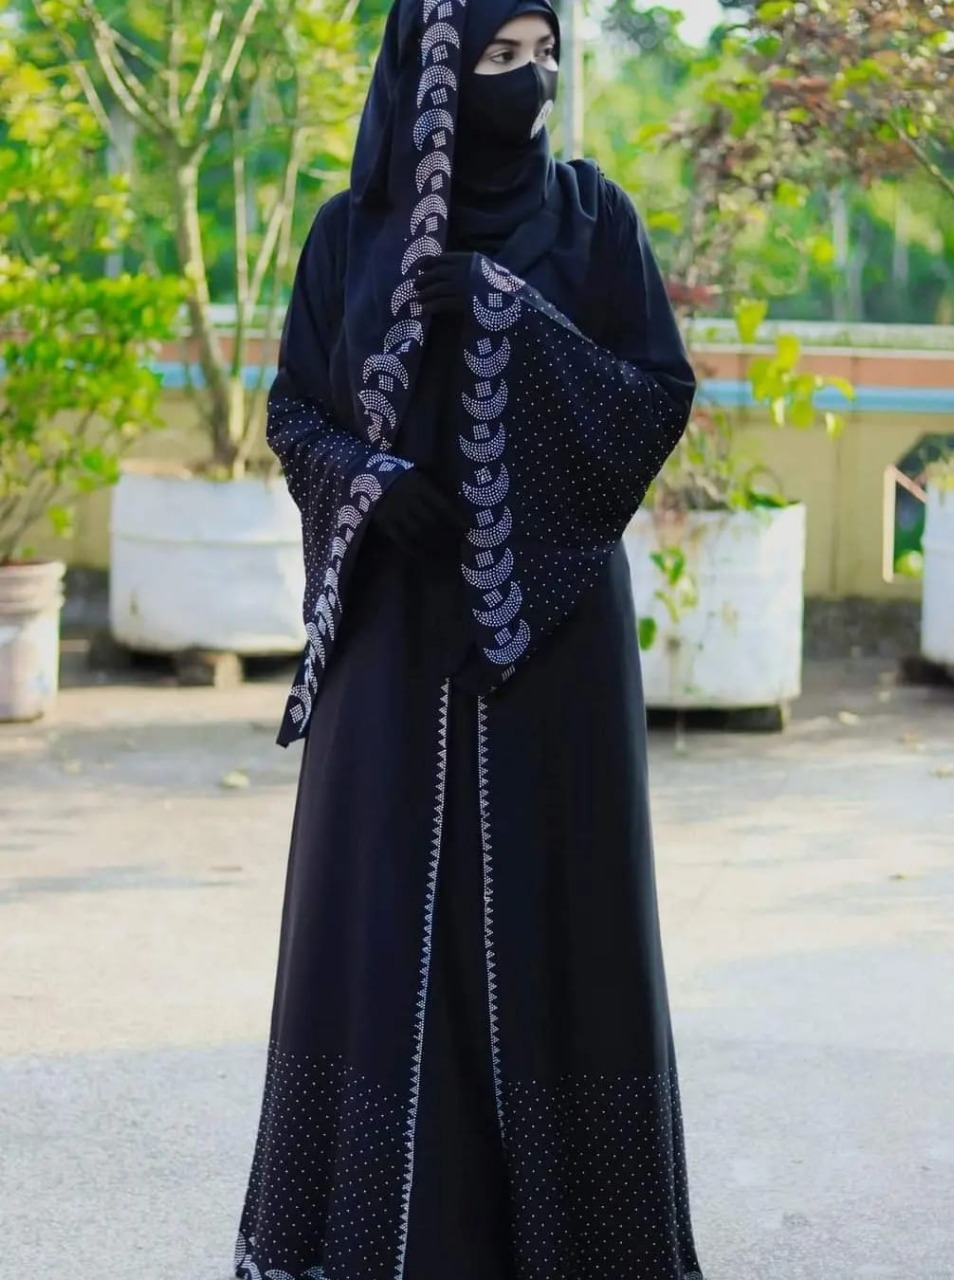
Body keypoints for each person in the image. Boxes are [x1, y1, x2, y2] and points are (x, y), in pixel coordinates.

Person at [235, 0, 704, 1276]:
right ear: (430, 72)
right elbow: (292, 409)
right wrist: (372, 481)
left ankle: (578, 1244)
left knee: (560, 920)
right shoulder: (350, 234)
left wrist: (508, 312)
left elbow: (653, 398)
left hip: (551, 638)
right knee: (381, 917)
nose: (530, 81)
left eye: (544, 54)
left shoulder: (593, 220)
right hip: (391, 631)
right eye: (499, 57)